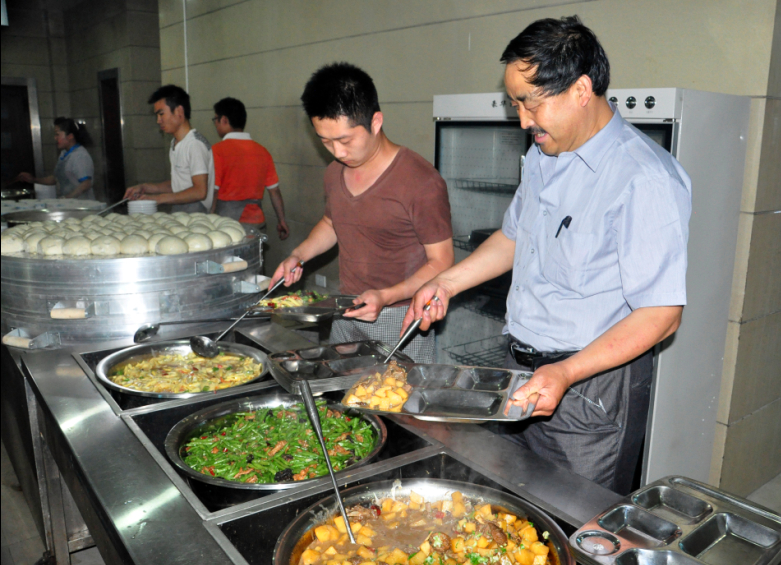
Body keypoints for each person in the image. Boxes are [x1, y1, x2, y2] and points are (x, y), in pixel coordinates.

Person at [404, 16, 692, 494]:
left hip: (588, 391)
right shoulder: (544, 154)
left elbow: (662, 315)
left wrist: (565, 372)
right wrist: (446, 283)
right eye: (515, 104)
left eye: (531, 103)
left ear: (581, 90)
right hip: (519, 371)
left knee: (573, 518)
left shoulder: (645, 178)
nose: (522, 120)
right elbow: (515, 237)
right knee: (507, 506)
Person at [270, 62, 454, 363]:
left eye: (345, 140)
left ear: (376, 122)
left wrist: (385, 296)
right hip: (346, 308)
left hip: (401, 315)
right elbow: (332, 223)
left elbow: (442, 261)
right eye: (325, 141)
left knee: (398, 393)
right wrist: (298, 255)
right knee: (343, 386)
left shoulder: (421, 181)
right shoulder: (334, 172)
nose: (337, 152)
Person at [208, 97, 289, 238]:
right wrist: (282, 220)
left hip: (227, 227)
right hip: (256, 225)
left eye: (215, 119)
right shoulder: (263, 152)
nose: (215, 124)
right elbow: (274, 191)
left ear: (224, 120)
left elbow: (213, 192)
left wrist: (207, 221)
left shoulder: (217, 151)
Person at [124, 85, 213, 212]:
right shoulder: (175, 143)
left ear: (179, 111)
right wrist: (145, 188)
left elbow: (200, 192)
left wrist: (158, 199)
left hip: (196, 212)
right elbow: (179, 186)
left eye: (161, 114)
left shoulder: (195, 144)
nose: (158, 121)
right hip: (181, 210)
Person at [15, 117, 95, 200]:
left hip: (81, 204)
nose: (55, 138)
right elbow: (56, 178)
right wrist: (33, 179)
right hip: (68, 204)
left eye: (57, 134)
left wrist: (66, 198)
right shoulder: (64, 153)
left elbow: (86, 184)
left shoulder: (80, 156)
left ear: (70, 136)